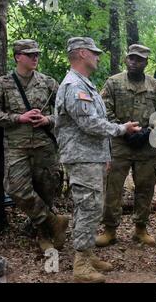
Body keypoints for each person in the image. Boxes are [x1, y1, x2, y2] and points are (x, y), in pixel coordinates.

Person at [55, 37, 141, 283]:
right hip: (82, 158)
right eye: (94, 53)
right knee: (88, 207)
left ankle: (87, 254)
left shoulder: (85, 84)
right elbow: (89, 123)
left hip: (90, 157)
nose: (98, 57)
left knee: (92, 207)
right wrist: (121, 129)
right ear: (81, 54)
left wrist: (104, 156)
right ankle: (80, 265)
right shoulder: (74, 85)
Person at [0, 39, 67, 252]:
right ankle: (54, 221)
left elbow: (67, 112)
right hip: (16, 147)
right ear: (17, 56)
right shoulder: (2, 84)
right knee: (16, 188)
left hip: (45, 146)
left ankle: (43, 235)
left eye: (37, 54)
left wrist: (48, 120)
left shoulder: (48, 83)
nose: (35, 58)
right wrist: (18, 118)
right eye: (30, 54)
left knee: (45, 191)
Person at [96, 44, 156, 247]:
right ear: (126, 59)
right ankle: (110, 230)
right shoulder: (113, 83)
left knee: (145, 187)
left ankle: (140, 229)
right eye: (131, 58)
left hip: (146, 146)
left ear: (146, 62)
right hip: (120, 144)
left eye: (139, 59)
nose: (134, 62)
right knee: (113, 188)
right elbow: (104, 110)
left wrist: (149, 132)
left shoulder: (155, 86)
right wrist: (123, 130)